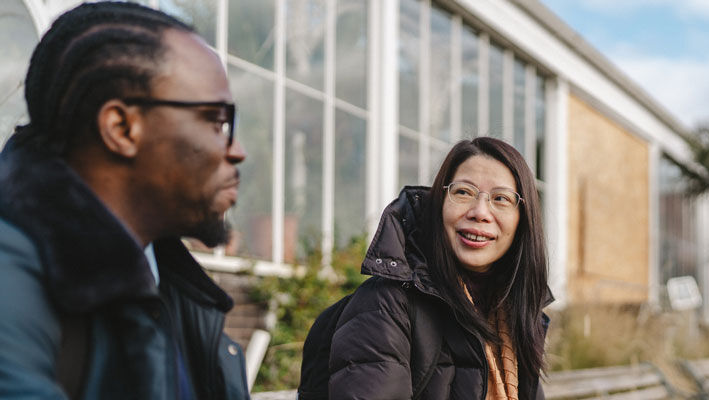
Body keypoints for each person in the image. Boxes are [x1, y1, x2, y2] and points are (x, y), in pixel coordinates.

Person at [0, 2, 249, 398]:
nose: (237, 150)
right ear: (121, 128)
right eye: (215, 120)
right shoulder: (13, 283)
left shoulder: (176, 292)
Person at [308, 137, 552, 399]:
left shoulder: (516, 314)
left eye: (501, 198)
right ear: (439, 203)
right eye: (463, 192)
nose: (480, 211)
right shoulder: (386, 305)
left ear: (523, 222)